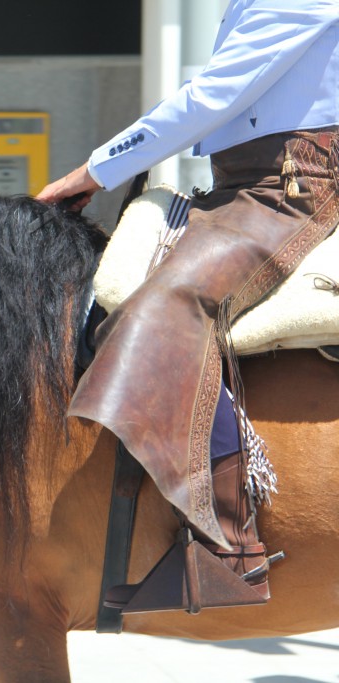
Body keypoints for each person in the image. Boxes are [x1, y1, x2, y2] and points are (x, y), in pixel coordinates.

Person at [38, 0, 339, 612]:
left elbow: (213, 95)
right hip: (242, 183)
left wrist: (94, 172)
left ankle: (228, 545)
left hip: (288, 187)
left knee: (170, 305)